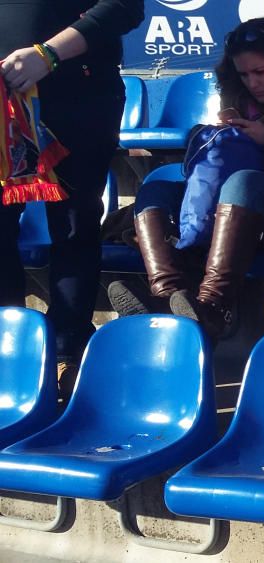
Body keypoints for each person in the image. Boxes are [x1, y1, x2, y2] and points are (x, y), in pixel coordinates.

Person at [106, 18, 264, 339]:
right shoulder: (237, 95)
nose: (252, 82)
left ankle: (212, 305)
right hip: (233, 216)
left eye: (260, 72)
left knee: (243, 182)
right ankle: (167, 295)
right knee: (155, 189)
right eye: (243, 74)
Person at [0, 0, 144, 396]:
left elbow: (124, 8)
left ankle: (67, 353)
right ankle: (9, 352)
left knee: (74, 226)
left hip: (79, 95)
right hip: (3, 102)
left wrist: (48, 54)